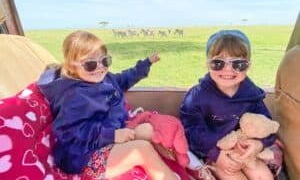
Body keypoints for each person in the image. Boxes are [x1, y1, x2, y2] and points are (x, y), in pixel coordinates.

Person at [37, 30, 179, 180]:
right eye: (90, 64)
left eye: (105, 61)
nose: (100, 67)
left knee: (150, 130)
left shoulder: (105, 79)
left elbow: (124, 79)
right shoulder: (74, 97)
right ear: (72, 66)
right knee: (141, 150)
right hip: (86, 156)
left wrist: (146, 63)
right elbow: (72, 133)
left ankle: (187, 165)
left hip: (110, 137)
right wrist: (112, 135)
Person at [180, 30, 276, 180]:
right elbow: (192, 131)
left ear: (248, 66)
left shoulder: (252, 95)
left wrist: (258, 145)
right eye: (218, 63)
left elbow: (267, 126)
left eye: (238, 63)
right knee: (233, 177)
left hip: (245, 150)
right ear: (207, 64)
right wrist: (216, 154)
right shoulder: (196, 96)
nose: (228, 69)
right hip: (212, 151)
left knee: (263, 176)